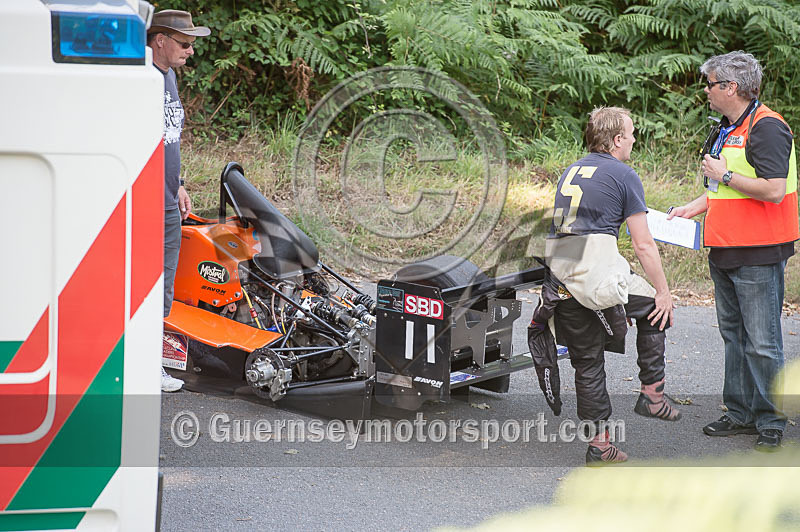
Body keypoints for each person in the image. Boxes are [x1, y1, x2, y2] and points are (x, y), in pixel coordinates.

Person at [668, 51, 797, 451]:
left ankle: (771, 420)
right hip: (723, 247)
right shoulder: (727, 126)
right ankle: (740, 413)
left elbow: (774, 189)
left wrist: (723, 174)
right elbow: (722, 189)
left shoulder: (768, 127)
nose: (705, 91)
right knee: (734, 337)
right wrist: (694, 206)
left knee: (762, 341)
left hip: (758, 251)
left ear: (731, 87)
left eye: (709, 84)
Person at [545, 106, 679, 465]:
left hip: (560, 272)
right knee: (655, 306)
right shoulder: (623, 174)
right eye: (631, 134)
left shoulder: (573, 169)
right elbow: (643, 243)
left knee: (587, 362)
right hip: (593, 271)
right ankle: (652, 395)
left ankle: (601, 446)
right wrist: (663, 290)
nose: (634, 139)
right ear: (617, 139)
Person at [147, 10, 210, 392]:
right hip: (144, 201)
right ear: (160, 41)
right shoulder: (141, 80)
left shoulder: (169, 77)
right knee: (143, 284)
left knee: (165, 285)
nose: (190, 51)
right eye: (184, 43)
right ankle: (138, 364)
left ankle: (150, 360)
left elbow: (169, 138)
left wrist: (180, 183)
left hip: (168, 198)